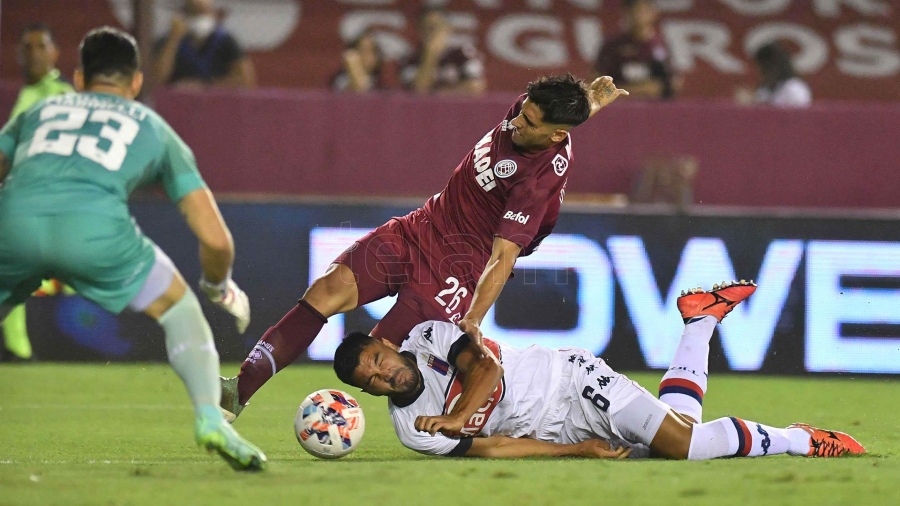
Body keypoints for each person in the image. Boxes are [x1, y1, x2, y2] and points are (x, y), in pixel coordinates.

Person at [220, 74, 630, 421]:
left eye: (530, 122)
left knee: (378, 363)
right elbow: (551, 119)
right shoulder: (533, 114)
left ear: (555, 135)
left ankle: (423, 427)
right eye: (522, 112)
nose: (516, 122)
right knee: (325, 291)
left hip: (456, 270)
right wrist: (590, 100)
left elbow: (503, 257)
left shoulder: (535, 184)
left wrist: (473, 317)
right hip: (421, 228)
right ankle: (240, 390)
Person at [0, 26, 265, 471]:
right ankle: (210, 419)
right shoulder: (154, 127)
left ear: (80, 78)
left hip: (12, 224)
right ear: (137, 83)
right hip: (95, 233)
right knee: (181, 310)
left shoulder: (40, 110)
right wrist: (217, 285)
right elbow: (216, 238)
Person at [333, 281, 866, 460]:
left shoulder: (427, 337)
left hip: (574, 383)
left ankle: (799, 440)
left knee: (684, 446)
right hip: (558, 428)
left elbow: (487, 371)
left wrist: (457, 417)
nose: (384, 377)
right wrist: (576, 451)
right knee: (675, 436)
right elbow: (495, 447)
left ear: (385, 342)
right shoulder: (410, 430)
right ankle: (699, 321)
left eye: (378, 362)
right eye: (371, 382)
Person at [2, 23, 77, 362]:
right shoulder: (27, 95)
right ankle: (19, 352)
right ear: (19, 54)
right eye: (27, 47)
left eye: (40, 46)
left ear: (54, 53)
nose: (34, 53)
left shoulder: (62, 95)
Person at [151, 0, 255, 89]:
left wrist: (205, 86)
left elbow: (245, 82)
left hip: (217, 103)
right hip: (177, 103)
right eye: (194, 13)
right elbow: (156, 79)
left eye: (203, 13)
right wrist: (174, 39)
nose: (200, 19)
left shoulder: (226, 41)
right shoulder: (168, 41)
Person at [594, 0, 677, 100]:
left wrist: (664, 87)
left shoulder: (660, 45)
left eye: (644, 10)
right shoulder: (613, 45)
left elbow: (671, 82)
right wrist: (639, 90)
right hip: (620, 108)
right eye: (635, 10)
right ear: (626, 12)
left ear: (654, 12)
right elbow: (597, 82)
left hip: (654, 109)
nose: (639, 15)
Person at [399, 7, 486, 95]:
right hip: (421, 108)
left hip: (458, 107)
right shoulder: (410, 58)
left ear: (448, 29)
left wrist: (437, 95)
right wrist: (430, 55)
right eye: (425, 28)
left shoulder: (463, 53)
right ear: (418, 31)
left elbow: (474, 86)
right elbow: (418, 91)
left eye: (435, 27)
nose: (430, 32)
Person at [739, 42, 811, 108]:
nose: (761, 72)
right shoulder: (764, 90)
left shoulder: (794, 88)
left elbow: (801, 116)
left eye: (763, 68)